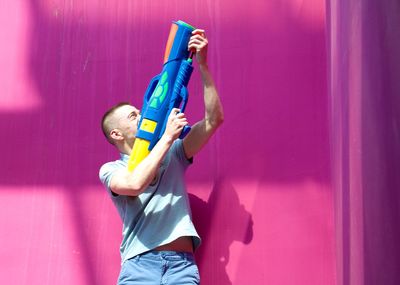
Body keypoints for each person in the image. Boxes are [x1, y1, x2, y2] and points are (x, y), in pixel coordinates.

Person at [99, 29, 224, 285]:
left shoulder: (174, 154)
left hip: (182, 266)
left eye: (139, 110)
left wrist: (203, 65)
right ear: (116, 133)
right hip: (140, 266)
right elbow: (134, 185)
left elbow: (214, 120)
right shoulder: (110, 169)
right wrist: (167, 137)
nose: (142, 114)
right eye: (133, 116)